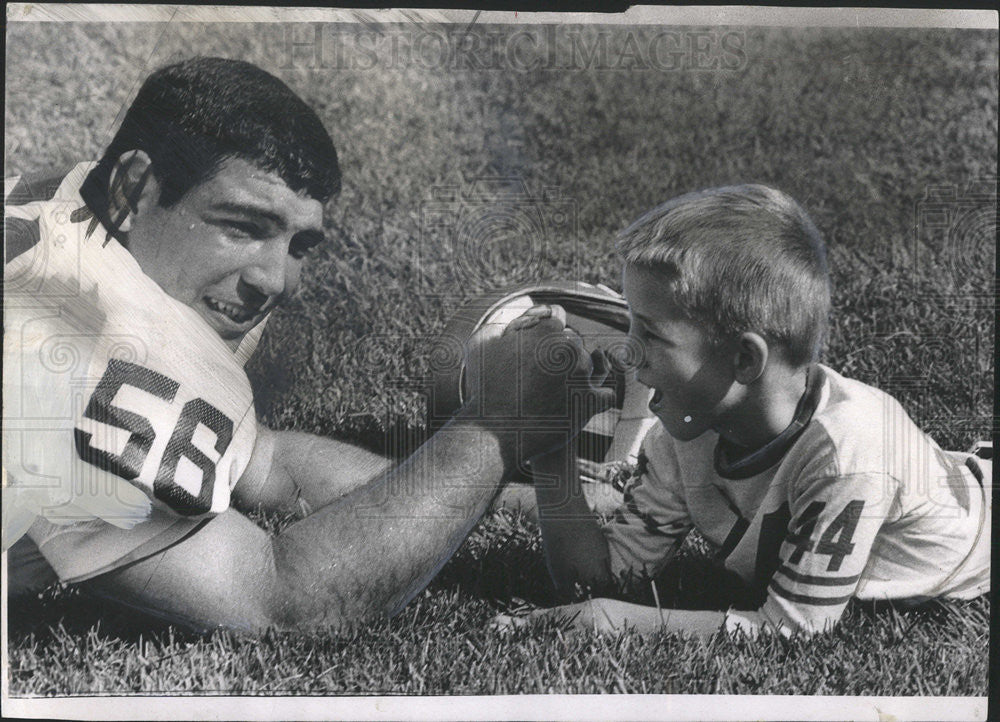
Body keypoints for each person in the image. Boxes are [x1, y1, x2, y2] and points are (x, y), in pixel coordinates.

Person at [3, 57, 611, 633]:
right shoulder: (71, 354)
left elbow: (259, 460)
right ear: (133, 190)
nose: (276, 281)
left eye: (298, 246)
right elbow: (278, 601)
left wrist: (523, 504)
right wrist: (497, 425)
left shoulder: (75, 204)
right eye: (242, 226)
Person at [502, 185, 991, 637]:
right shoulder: (686, 431)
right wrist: (553, 450)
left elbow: (793, 628)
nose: (626, 354)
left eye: (649, 334)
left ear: (744, 359)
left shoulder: (850, 449)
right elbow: (599, 579)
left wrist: (609, 620)